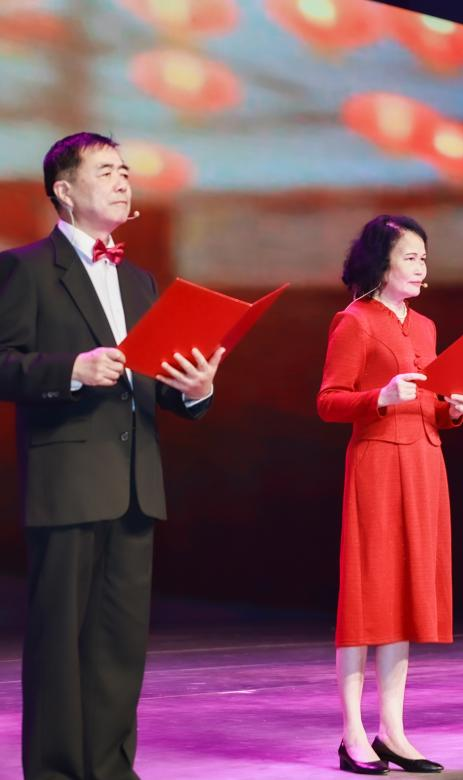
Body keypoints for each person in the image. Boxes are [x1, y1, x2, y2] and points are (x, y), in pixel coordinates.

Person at [0, 132, 222, 780]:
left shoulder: (139, 280)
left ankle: (111, 769)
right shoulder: (25, 269)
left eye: (125, 171)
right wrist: (71, 369)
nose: (123, 181)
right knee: (59, 644)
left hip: (135, 483)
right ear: (64, 191)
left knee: (119, 646)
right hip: (67, 480)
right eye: (105, 171)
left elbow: (155, 382)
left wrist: (196, 389)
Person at [318, 215, 463, 775]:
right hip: (379, 464)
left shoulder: (427, 326)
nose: (420, 267)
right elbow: (329, 400)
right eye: (410, 257)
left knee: (406, 598)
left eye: (423, 258)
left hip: (425, 462)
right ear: (381, 263)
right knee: (369, 597)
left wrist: (453, 409)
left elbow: (430, 401)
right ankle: (352, 734)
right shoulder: (354, 320)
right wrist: (378, 396)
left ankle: (393, 729)